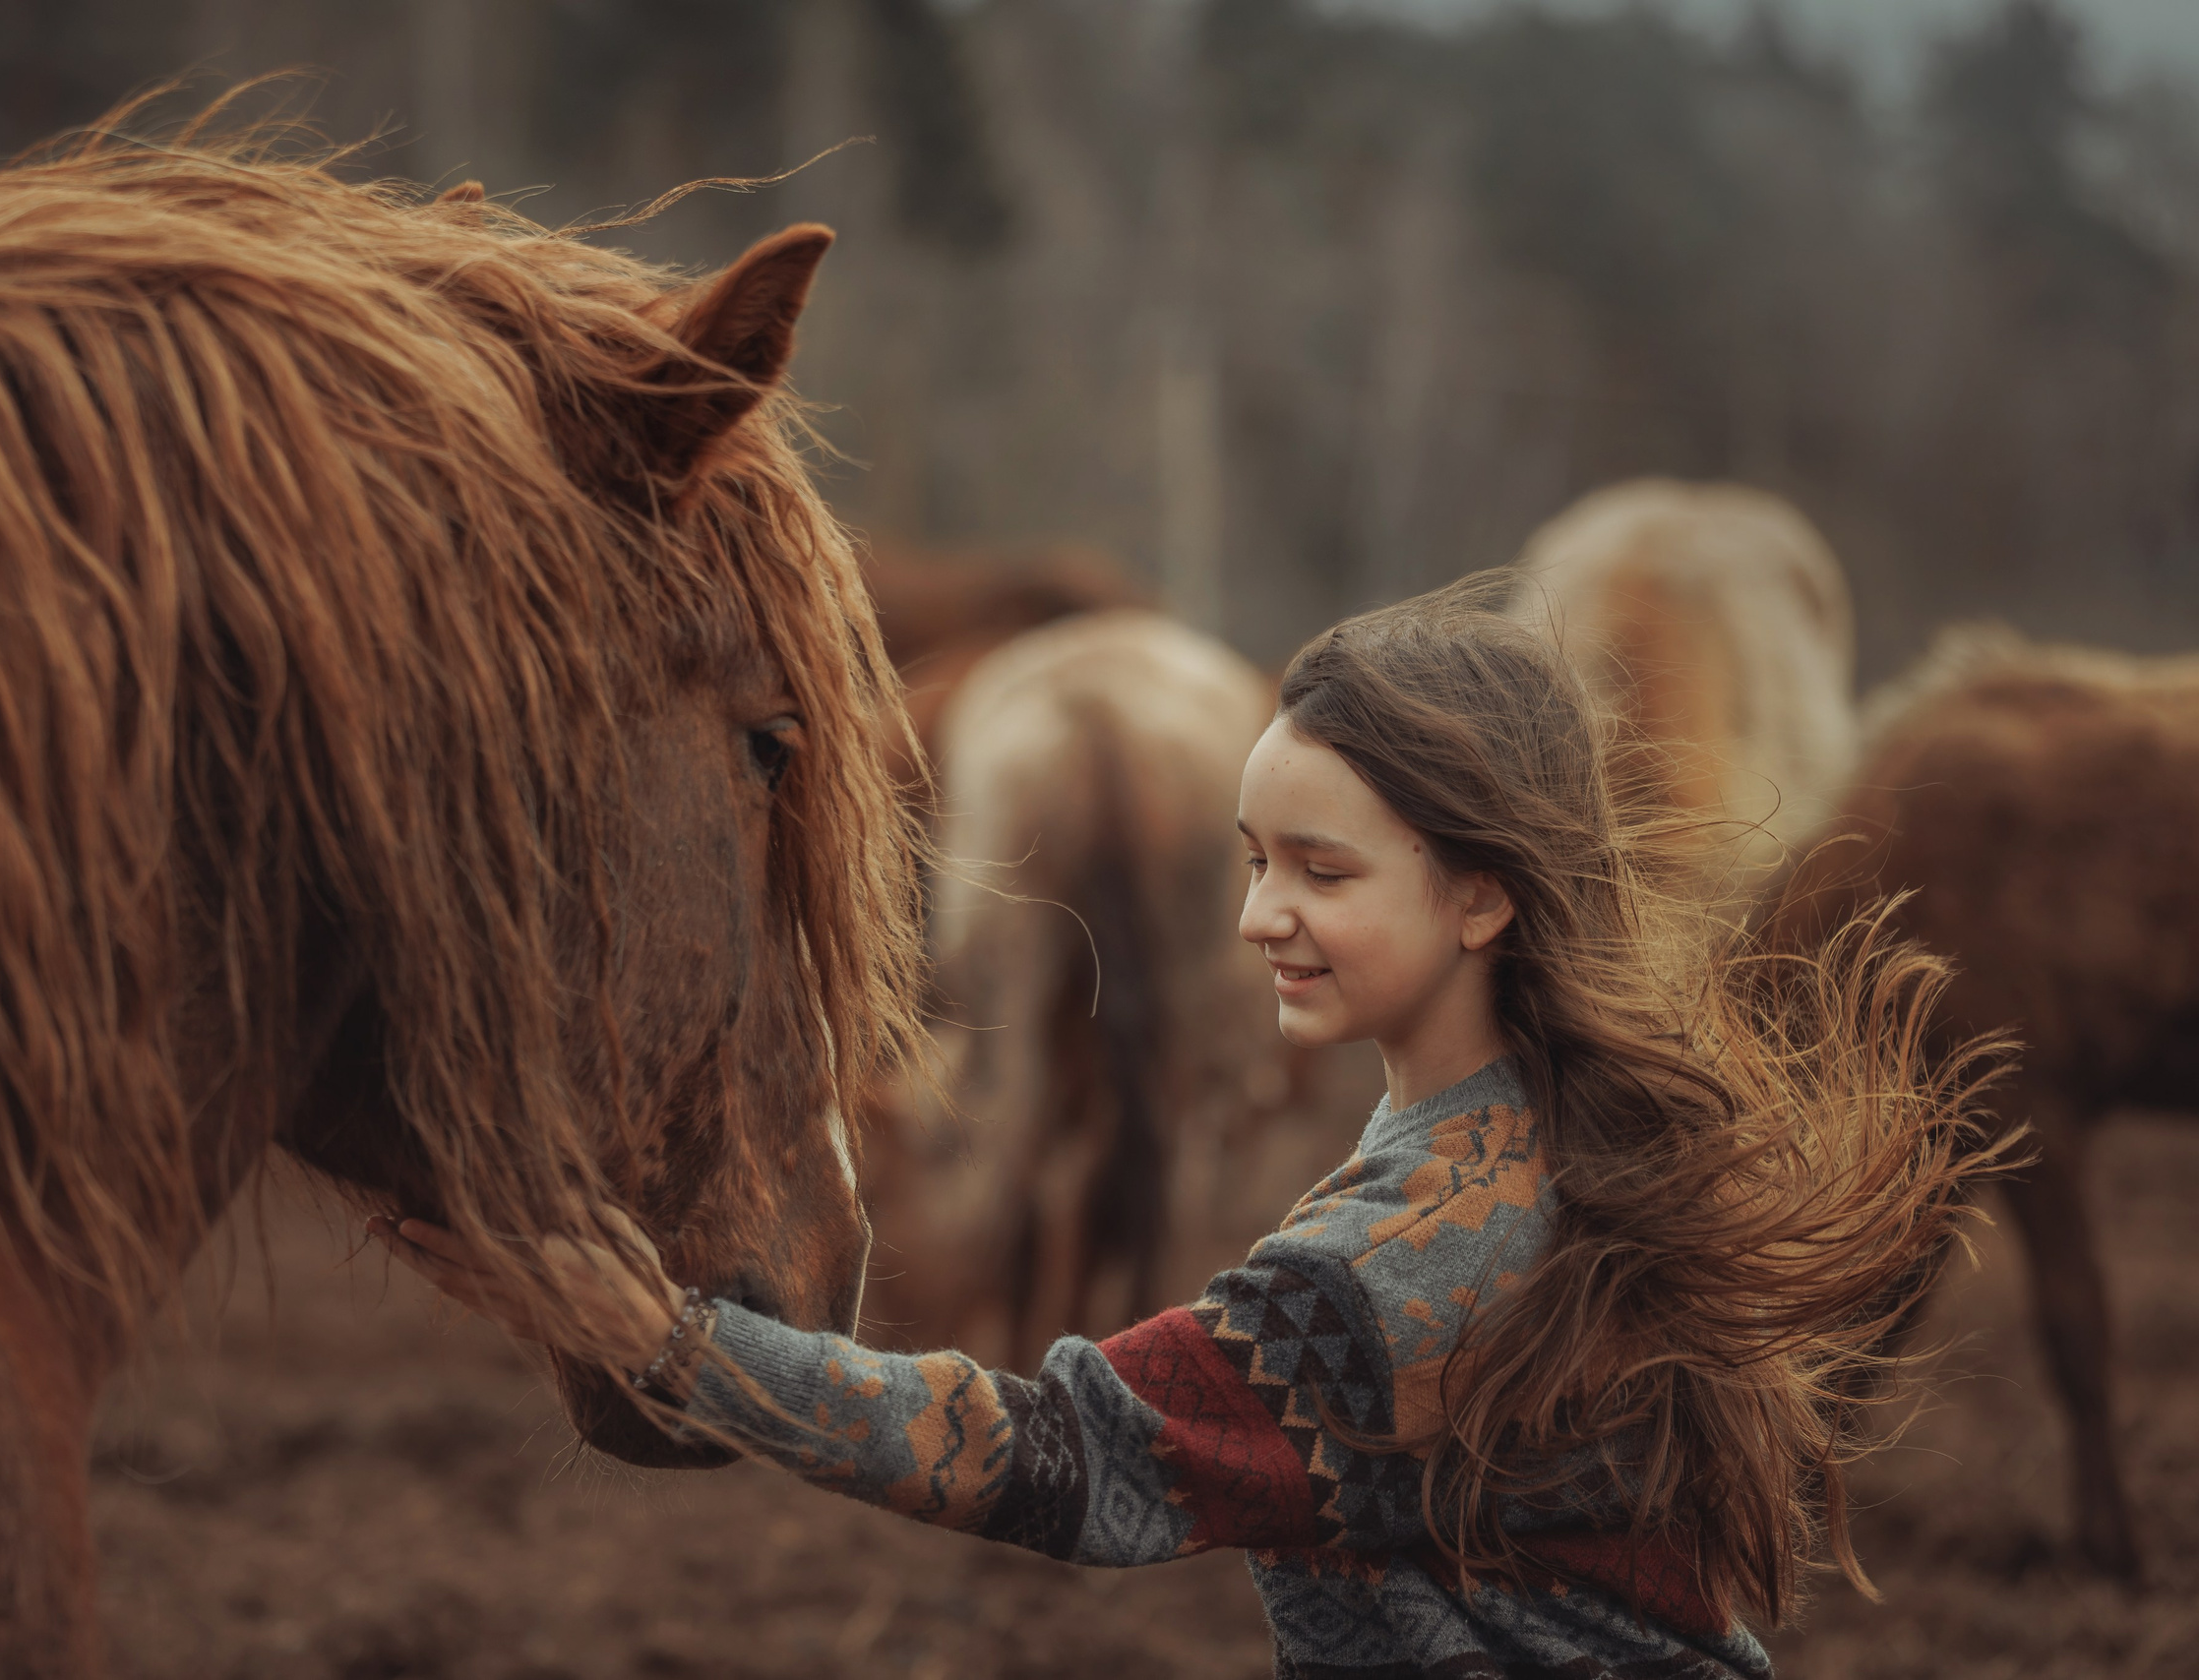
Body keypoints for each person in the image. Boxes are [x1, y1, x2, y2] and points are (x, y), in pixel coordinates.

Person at [373, 580, 1996, 1680]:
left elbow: (1055, 1461)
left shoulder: (1394, 1267)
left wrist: (671, 1337)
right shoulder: (1575, 1144)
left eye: (1324, 874)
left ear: (1486, 890)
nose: (1257, 920)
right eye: (1251, 860)